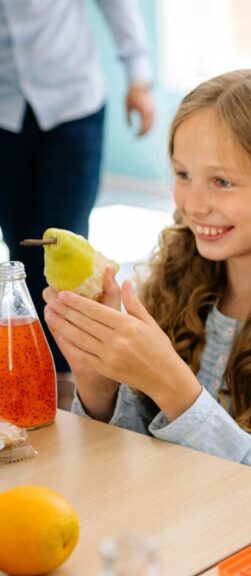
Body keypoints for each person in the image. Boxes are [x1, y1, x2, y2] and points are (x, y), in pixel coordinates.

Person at [41, 69, 251, 488]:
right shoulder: (174, 278)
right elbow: (129, 464)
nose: (194, 204)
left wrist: (171, 384)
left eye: (222, 182)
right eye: (183, 175)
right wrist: (99, 387)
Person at [0, 0, 156, 371]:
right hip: (4, 113)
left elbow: (117, 6)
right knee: (20, 246)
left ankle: (76, 367)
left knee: (65, 243)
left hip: (73, 102)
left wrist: (139, 79)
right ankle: (30, 365)